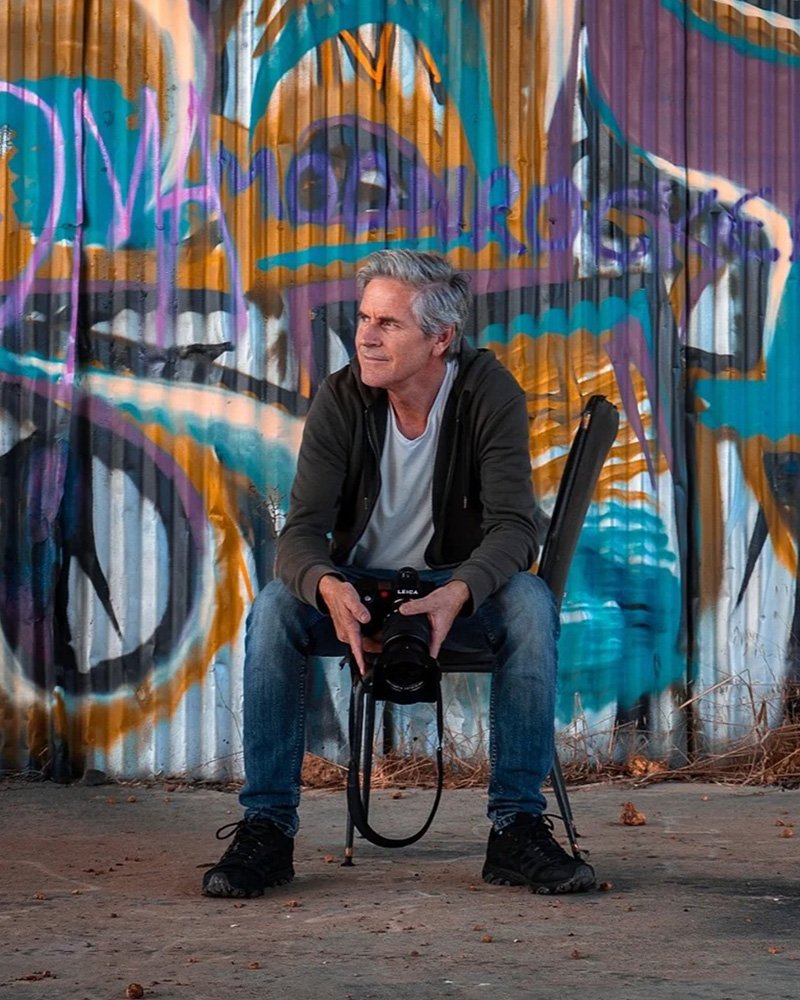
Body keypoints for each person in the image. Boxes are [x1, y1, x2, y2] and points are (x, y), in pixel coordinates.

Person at [202, 250, 596, 897]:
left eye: (388, 323)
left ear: (441, 339)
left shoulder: (487, 392)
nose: (366, 336)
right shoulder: (342, 397)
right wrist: (326, 585)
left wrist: (458, 592)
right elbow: (300, 533)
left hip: (453, 588)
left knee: (528, 602)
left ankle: (517, 828)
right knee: (274, 608)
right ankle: (267, 827)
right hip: (359, 588)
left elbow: (514, 528)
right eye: (363, 318)